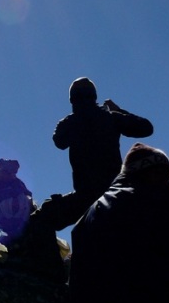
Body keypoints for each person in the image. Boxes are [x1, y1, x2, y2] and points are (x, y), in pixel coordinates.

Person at [69, 143, 169, 303]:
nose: (165, 181)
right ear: (141, 172)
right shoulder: (146, 203)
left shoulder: (95, 211)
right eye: (158, 173)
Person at [38, 77, 153, 230]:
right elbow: (146, 128)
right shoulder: (111, 117)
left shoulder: (70, 122)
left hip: (86, 195)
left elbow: (59, 141)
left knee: (42, 217)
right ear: (94, 96)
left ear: (72, 100)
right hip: (114, 192)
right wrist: (117, 111)